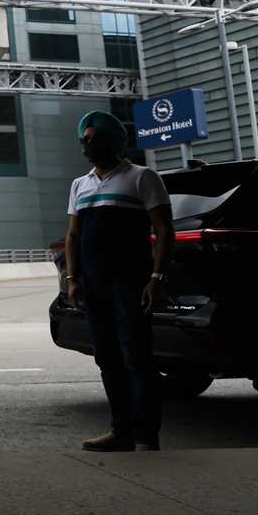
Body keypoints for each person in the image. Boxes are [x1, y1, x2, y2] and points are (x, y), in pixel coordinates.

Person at [64, 110, 174, 452]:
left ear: (115, 142)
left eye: (96, 140)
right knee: (107, 360)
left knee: (137, 360)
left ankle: (146, 437)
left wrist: (156, 278)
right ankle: (121, 431)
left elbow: (164, 230)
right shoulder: (79, 185)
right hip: (93, 287)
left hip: (131, 284)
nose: (89, 146)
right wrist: (72, 279)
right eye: (86, 140)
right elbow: (72, 235)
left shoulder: (143, 177)